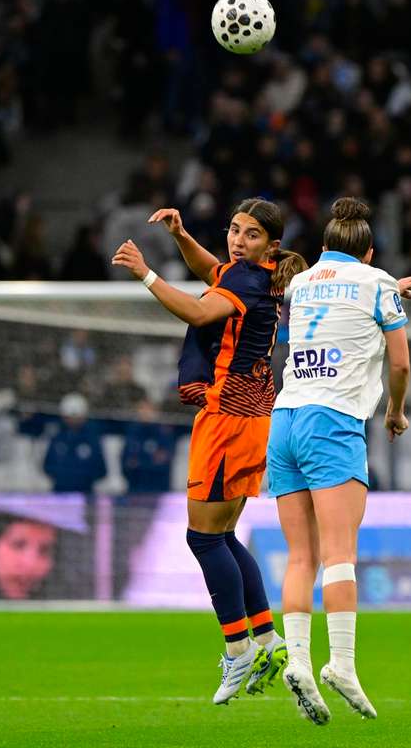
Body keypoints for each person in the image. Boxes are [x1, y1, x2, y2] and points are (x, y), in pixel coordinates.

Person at [111, 199, 306, 704]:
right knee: (221, 535)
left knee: (202, 538)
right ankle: (267, 640)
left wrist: (146, 274)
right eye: (234, 230)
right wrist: (180, 235)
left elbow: (199, 310)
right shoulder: (257, 275)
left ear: (271, 245)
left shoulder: (246, 281)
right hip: (252, 417)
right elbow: (211, 271)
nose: (238, 241)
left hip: (228, 421)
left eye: (251, 234)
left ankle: (238, 650)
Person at [265, 197, 411, 725]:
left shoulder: (302, 282)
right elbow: (400, 363)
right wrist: (395, 411)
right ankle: (343, 664)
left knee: (299, 557)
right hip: (332, 422)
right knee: (340, 555)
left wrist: (388, 288)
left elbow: (330, 309)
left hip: (285, 419)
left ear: (325, 246)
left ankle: (299, 660)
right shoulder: (378, 283)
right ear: (369, 252)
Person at [42, 393, 106, 493]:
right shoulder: (57, 437)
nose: (73, 420)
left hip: (85, 492)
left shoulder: (92, 438)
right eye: (69, 417)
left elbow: (101, 469)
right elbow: (47, 465)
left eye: (76, 417)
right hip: (60, 491)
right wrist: (62, 477)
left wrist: (84, 478)